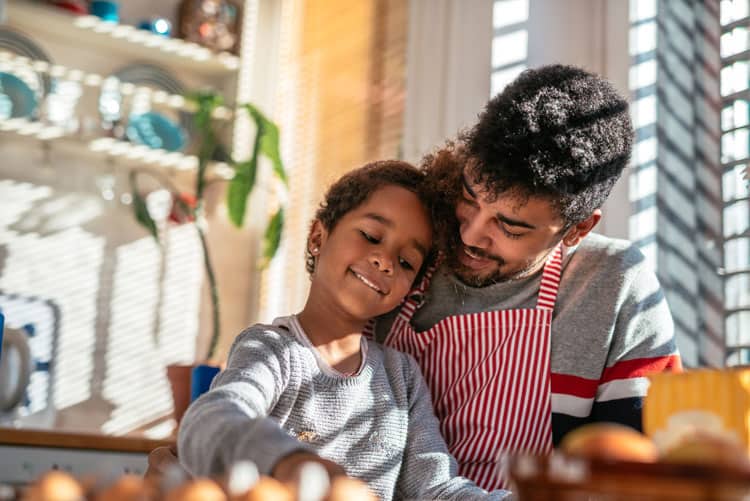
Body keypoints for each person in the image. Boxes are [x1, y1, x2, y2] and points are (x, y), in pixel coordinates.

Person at [373, 64, 682, 490]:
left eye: (510, 227)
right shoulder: (408, 248)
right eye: (469, 196)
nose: (471, 233)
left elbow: (638, 477)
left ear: (578, 229)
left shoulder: (612, 283)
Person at [176, 160, 510, 500]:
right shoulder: (273, 351)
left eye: (407, 261)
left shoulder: (402, 378)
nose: (385, 261)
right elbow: (211, 417)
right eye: (370, 236)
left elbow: (438, 490)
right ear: (319, 236)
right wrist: (290, 463)